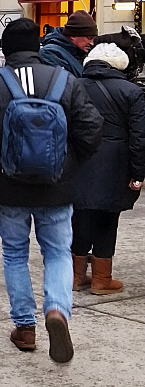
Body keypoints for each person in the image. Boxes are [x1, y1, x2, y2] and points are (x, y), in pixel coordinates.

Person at [0, 17, 102, 363]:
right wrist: (67, 165)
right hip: (57, 187)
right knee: (57, 252)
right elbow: (92, 128)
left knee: (14, 253)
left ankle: (25, 328)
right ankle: (57, 310)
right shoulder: (64, 80)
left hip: (9, 189)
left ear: (5, 50)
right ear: (38, 47)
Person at [72, 43, 145, 295]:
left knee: (79, 216)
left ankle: (75, 276)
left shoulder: (72, 87)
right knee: (106, 218)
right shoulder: (131, 92)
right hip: (115, 164)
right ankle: (101, 280)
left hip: (78, 161)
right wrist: (138, 173)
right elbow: (139, 137)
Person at [39, 10, 97, 77]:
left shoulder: (78, 52)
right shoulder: (51, 53)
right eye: (89, 38)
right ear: (73, 35)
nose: (92, 43)